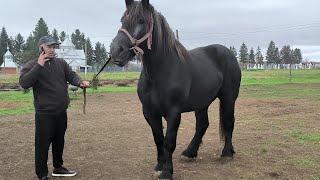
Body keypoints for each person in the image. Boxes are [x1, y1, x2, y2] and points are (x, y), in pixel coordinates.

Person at [19, 35, 90, 180]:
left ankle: (58, 167)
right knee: (42, 145)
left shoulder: (61, 63)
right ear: (41, 48)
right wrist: (39, 65)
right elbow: (24, 83)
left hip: (61, 112)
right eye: (49, 46)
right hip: (44, 114)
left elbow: (71, 76)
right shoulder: (32, 65)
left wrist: (80, 82)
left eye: (53, 47)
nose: (52, 49)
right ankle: (42, 174)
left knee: (59, 141)